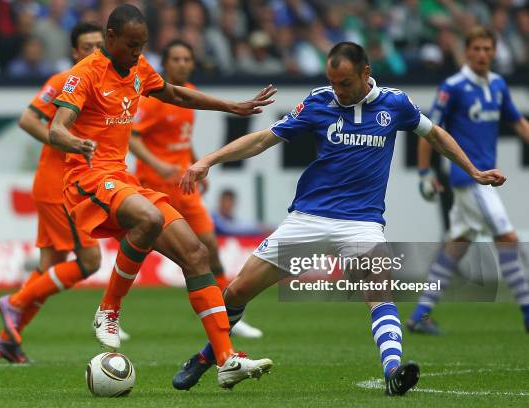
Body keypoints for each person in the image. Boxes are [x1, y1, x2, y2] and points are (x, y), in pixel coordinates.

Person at [175, 41, 506, 396]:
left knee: (380, 292)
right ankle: (207, 356)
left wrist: (472, 170)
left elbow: (435, 135)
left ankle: (393, 370)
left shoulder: (395, 104)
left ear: (366, 74)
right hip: (308, 218)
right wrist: (208, 160)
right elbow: (262, 140)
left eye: (345, 83)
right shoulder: (319, 101)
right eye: (333, 82)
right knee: (238, 290)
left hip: (361, 223)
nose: (339, 91)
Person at [45, 5, 276, 389]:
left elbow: (172, 94)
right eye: (131, 45)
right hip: (85, 177)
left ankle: (225, 359)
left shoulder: (139, 70)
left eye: (143, 46)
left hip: (120, 179)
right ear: (111, 37)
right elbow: (56, 129)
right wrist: (76, 142)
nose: (138, 53)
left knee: (195, 253)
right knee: (149, 220)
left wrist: (230, 106)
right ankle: (108, 309)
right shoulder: (82, 75)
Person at [129, 39, 262, 339]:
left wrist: (197, 164)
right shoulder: (151, 100)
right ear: (164, 64)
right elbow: (132, 138)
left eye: (186, 58)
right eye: (175, 58)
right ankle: (112, 312)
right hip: (155, 188)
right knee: (139, 252)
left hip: (185, 186)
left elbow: (182, 137)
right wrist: (158, 164)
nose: (181, 63)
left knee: (211, 250)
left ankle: (230, 317)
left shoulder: (187, 97)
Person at [0, 22, 106, 364]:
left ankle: (7, 340)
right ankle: (12, 303)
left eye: (100, 46)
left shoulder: (104, 84)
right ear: (75, 52)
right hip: (59, 184)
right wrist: (64, 141)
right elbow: (28, 120)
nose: (94, 52)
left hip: (72, 183)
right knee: (90, 262)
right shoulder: (65, 81)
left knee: (49, 268)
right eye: (87, 46)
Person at [408, 26, 529, 335]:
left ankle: (420, 315)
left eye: (488, 49)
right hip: (470, 178)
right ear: (467, 50)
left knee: (456, 246)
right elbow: (428, 131)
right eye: (476, 48)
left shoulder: (498, 85)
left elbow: (518, 122)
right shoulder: (454, 86)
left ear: (494, 51)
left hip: (484, 179)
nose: (482, 55)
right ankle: (528, 311)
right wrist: (425, 173)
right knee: (509, 239)